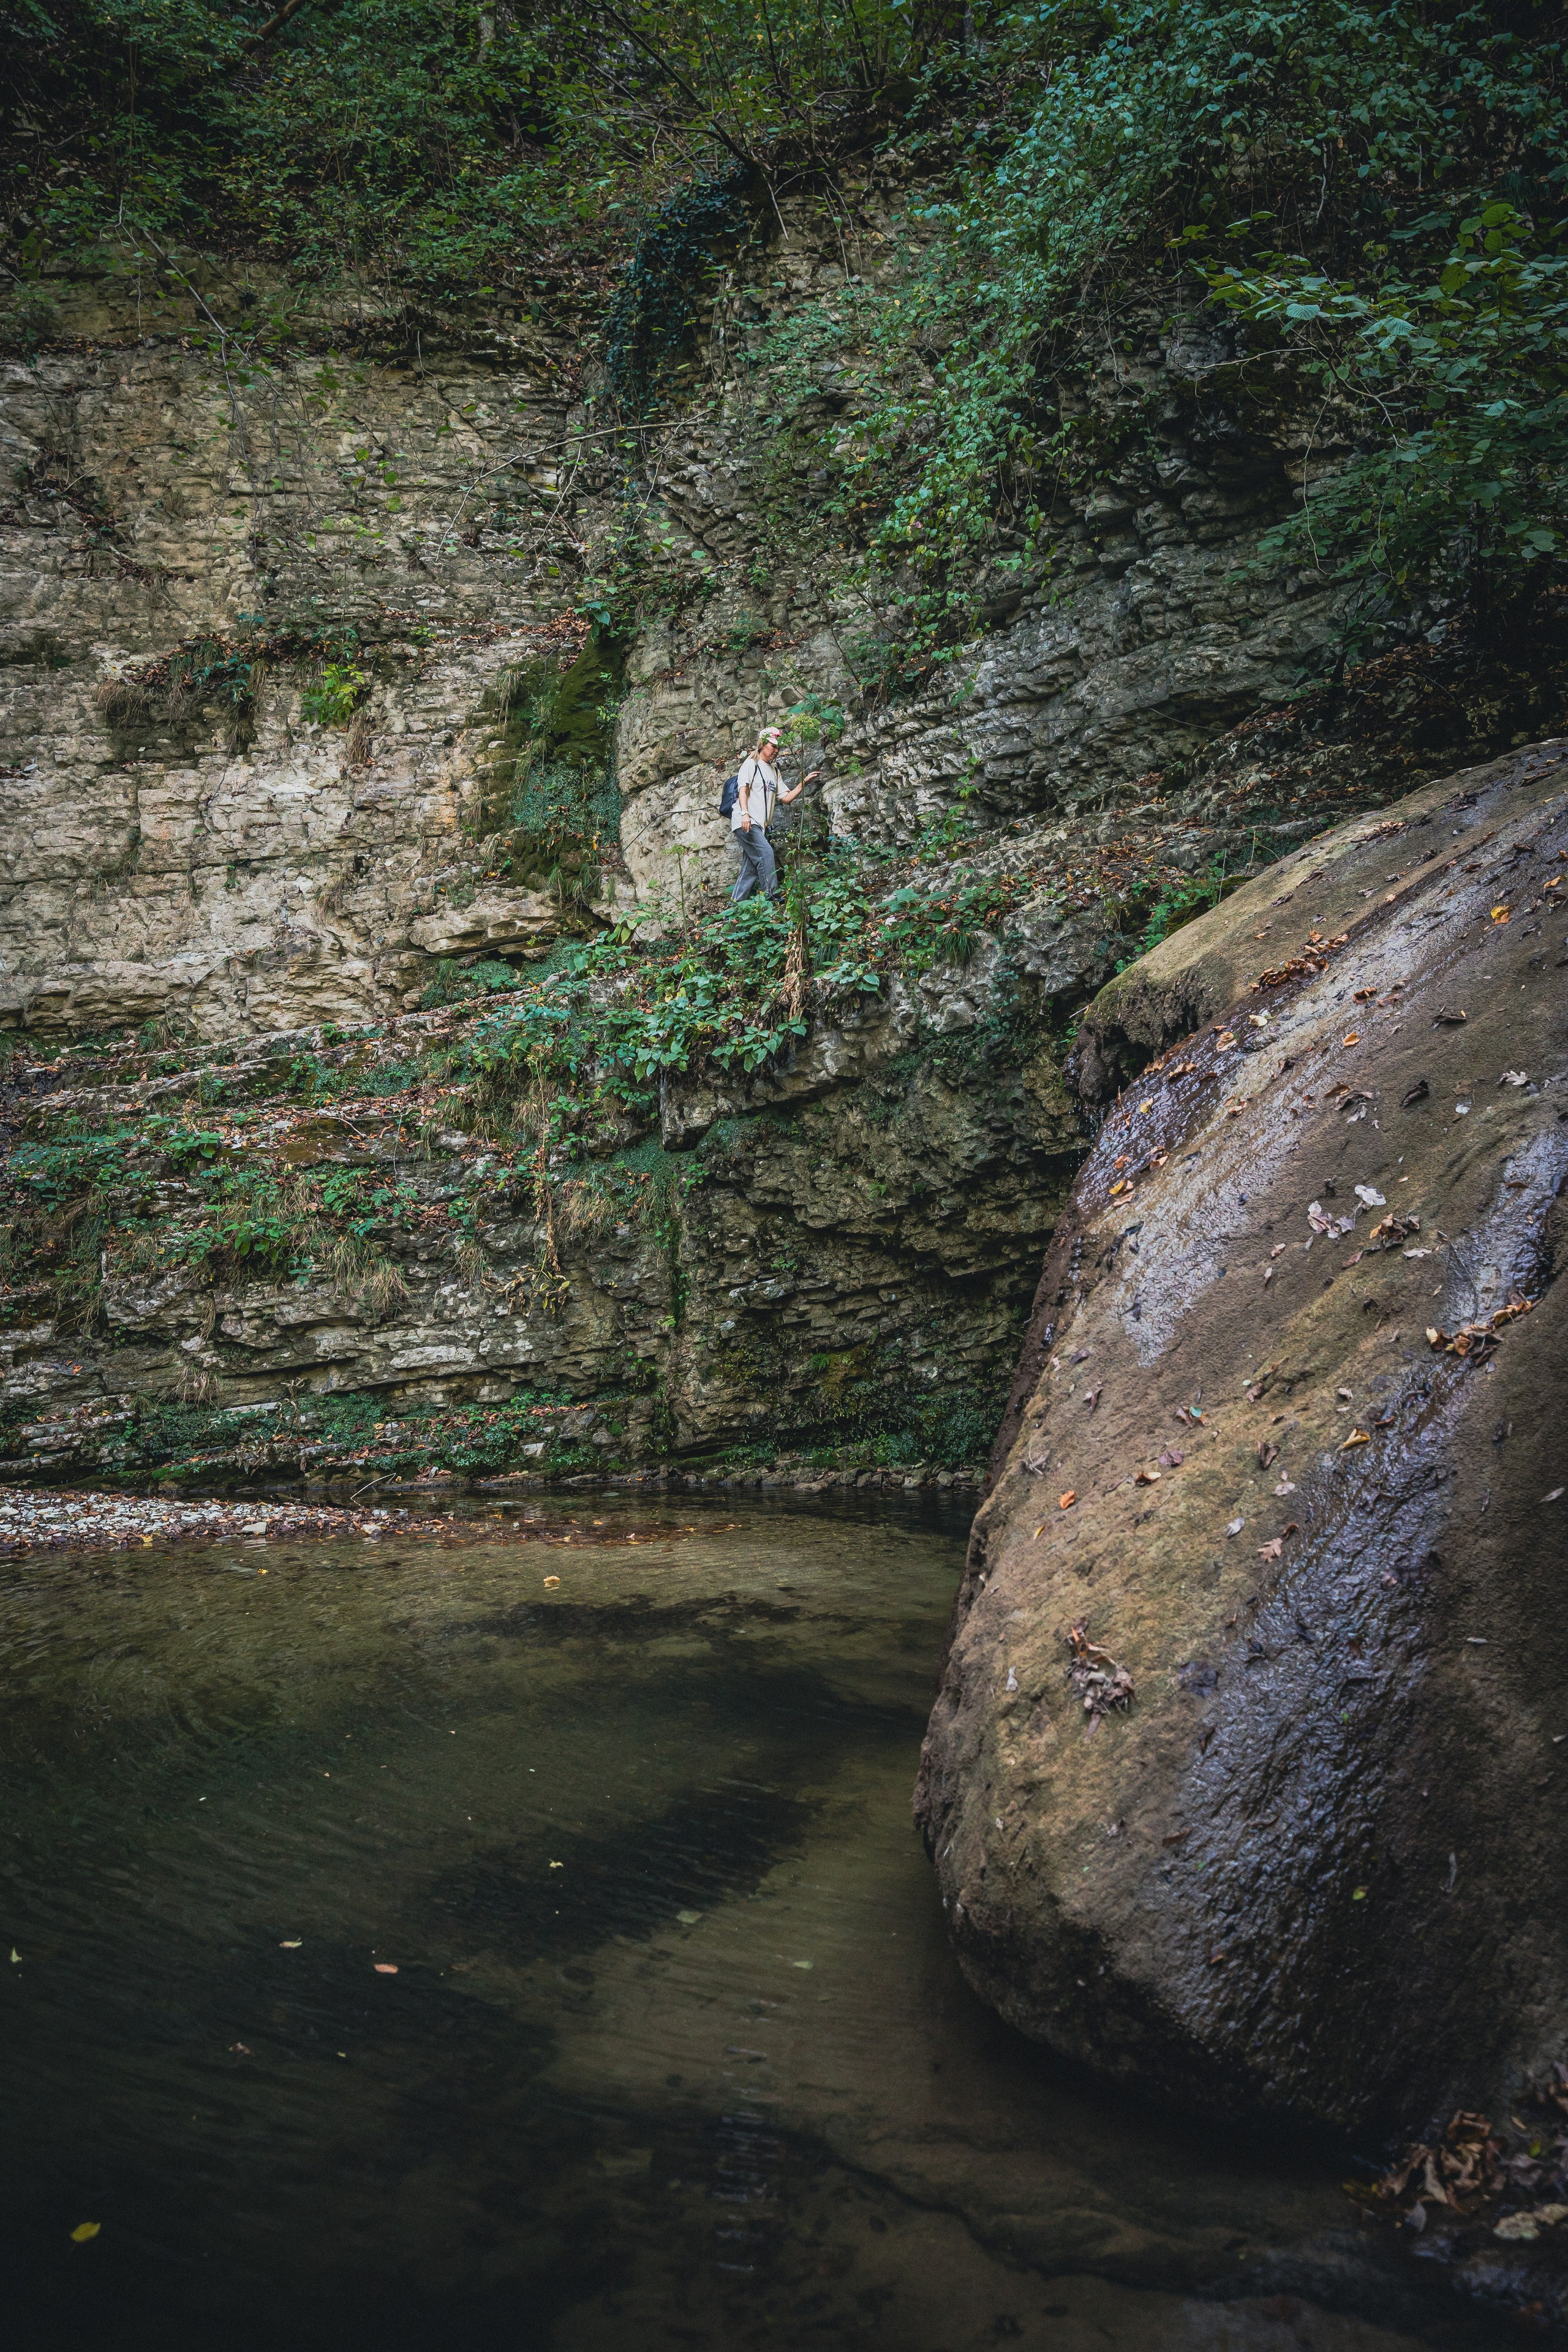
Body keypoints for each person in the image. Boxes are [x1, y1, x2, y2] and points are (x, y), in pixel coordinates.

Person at [730, 725, 820, 904]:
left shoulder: (774, 771)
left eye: (778, 747)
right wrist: (745, 814)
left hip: (759, 826)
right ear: (762, 745)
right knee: (766, 853)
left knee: (751, 870)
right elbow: (743, 791)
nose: (776, 751)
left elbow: (786, 798)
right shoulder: (751, 764)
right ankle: (772, 895)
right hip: (746, 821)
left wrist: (804, 782)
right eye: (773, 747)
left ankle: (734, 906)